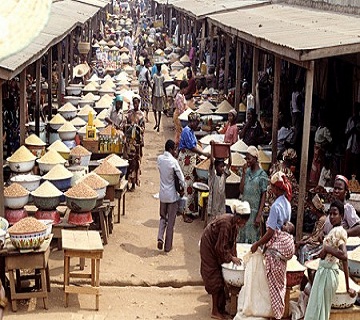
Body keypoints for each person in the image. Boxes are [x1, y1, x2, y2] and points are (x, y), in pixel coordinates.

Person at [251, 171, 295, 320]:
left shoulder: (276, 206)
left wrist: (257, 244)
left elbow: (270, 233)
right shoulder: (287, 203)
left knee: (274, 286)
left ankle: (276, 315)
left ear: (277, 189)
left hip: (276, 248)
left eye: (273, 188)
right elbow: (286, 226)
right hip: (284, 245)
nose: (271, 190)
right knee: (280, 284)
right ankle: (277, 313)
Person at [304, 200, 356, 320]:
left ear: (341, 216)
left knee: (320, 310)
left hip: (328, 274)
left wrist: (327, 249)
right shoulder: (333, 231)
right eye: (330, 214)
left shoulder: (340, 232)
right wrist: (321, 254)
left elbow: (344, 256)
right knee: (317, 308)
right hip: (324, 271)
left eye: (335, 214)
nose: (332, 217)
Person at [200, 203, 251, 320]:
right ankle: (215, 311)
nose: (244, 225)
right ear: (238, 219)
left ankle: (220, 308)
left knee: (220, 275)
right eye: (243, 222)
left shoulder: (234, 225)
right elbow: (220, 248)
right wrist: (231, 258)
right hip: (208, 246)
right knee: (215, 277)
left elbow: (232, 244)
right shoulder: (226, 224)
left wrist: (234, 258)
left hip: (215, 245)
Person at [178, 112, 210, 223]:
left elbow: (196, 144)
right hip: (186, 159)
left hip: (190, 159)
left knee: (191, 185)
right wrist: (205, 154)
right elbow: (192, 147)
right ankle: (185, 212)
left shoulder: (191, 131)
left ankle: (190, 211)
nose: (198, 125)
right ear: (191, 122)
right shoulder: (186, 131)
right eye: (196, 122)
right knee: (187, 186)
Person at [157, 139, 185, 253]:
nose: (176, 151)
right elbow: (182, 179)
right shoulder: (173, 162)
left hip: (162, 194)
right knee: (171, 221)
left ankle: (160, 237)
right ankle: (167, 246)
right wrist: (182, 189)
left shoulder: (159, 159)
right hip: (172, 196)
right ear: (170, 149)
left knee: (163, 217)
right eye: (174, 149)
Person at [238, 146, 268, 243]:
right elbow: (241, 190)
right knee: (242, 235)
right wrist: (243, 174)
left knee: (252, 237)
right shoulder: (247, 172)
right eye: (246, 159)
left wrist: (259, 214)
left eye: (249, 159)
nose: (247, 161)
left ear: (255, 158)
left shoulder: (262, 175)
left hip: (254, 211)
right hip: (244, 210)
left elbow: (264, 195)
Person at [296, 194, 326, 264]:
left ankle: (305, 266)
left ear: (316, 208)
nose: (310, 208)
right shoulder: (319, 218)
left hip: (319, 244)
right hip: (317, 242)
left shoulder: (322, 219)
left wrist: (305, 241)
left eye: (312, 206)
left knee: (304, 248)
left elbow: (316, 238)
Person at [267, 148, 299, 213]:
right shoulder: (288, 173)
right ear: (292, 160)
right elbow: (294, 189)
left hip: (269, 197)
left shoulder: (276, 165)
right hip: (277, 200)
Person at [123, 95, 145, 191]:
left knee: (135, 163)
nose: (136, 104)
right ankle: (127, 182)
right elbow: (124, 126)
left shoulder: (141, 115)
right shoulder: (129, 113)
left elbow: (143, 129)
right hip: (129, 143)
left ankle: (133, 184)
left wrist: (137, 128)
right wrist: (129, 126)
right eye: (134, 102)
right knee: (128, 162)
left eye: (137, 103)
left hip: (137, 143)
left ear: (139, 103)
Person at [207, 146, 231, 219]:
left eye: (223, 166)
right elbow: (211, 162)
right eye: (221, 167)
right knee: (213, 222)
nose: (223, 168)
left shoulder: (224, 176)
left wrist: (229, 149)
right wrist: (212, 146)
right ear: (216, 167)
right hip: (213, 205)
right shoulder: (212, 176)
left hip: (221, 204)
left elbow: (230, 163)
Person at [309, 114, 332, 185]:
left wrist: (322, 145)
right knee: (315, 163)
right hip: (316, 147)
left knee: (319, 163)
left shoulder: (325, 129)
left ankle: (318, 179)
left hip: (320, 148)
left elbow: (330, 140)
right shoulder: (319, 128)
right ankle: (313, 179)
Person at [344, 102, 360, 179]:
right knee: (347, 167)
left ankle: (354, 184)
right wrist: (352, 130)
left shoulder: (359, 121)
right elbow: (346, 133)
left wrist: (356, 131)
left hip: (357, 146)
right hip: (349, 145)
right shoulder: (350, 120)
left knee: (355, 167)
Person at [152, 63, 166, 132]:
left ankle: (157, 123)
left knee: (156, 110)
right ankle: (157, 123)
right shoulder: (161, 76)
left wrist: (152, 95)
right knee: (157, 110)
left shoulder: (155, 76)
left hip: (157, 94)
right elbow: (163, 86)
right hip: (159, 94)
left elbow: (154, 86)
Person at [173, 80, 188, 146]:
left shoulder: (182, 96)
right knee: (179, 132)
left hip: (181, 116)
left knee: (180, 132)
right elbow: (181, 110)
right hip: (179, 116)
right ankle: (178, 146)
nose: (187, 90)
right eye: (186, 88)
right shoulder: (179, 97)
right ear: (183, 88)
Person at [138, 58, 152, 122]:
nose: (149, 64)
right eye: (149, 63)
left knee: (142, 100)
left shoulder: (142, 69)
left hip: (141, 85)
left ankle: (142, 116)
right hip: (145, 85)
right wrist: (152, 87)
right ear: (146, 63)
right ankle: (146, 116)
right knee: (147, 100)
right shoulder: (146, 71)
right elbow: (148, 81)